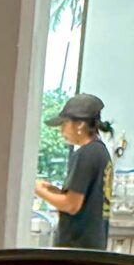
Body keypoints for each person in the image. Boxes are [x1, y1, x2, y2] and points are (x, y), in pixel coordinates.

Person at [34, 93, 113, 250]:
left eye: (64, 124)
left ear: (80, 125)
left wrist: (37, 190)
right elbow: (84, 199)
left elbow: (71, 205)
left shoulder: (85, 154)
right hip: (94, 246)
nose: (61, 130)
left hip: (77, 247)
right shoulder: (101, 153)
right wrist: (53, 190)